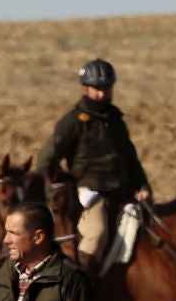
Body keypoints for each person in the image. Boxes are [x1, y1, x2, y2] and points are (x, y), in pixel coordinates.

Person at [36, 59, 151, 271]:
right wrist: (68, 188)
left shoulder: (116, 120)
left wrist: (142, 186)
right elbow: (45, 161)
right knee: (96, 233)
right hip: (90, 193)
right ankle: (77, 288)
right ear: (84, 88)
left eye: (106, 88)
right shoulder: (73, 122)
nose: (101, 94)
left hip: (122, 190)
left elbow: (130, 157)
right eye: (96, 89)